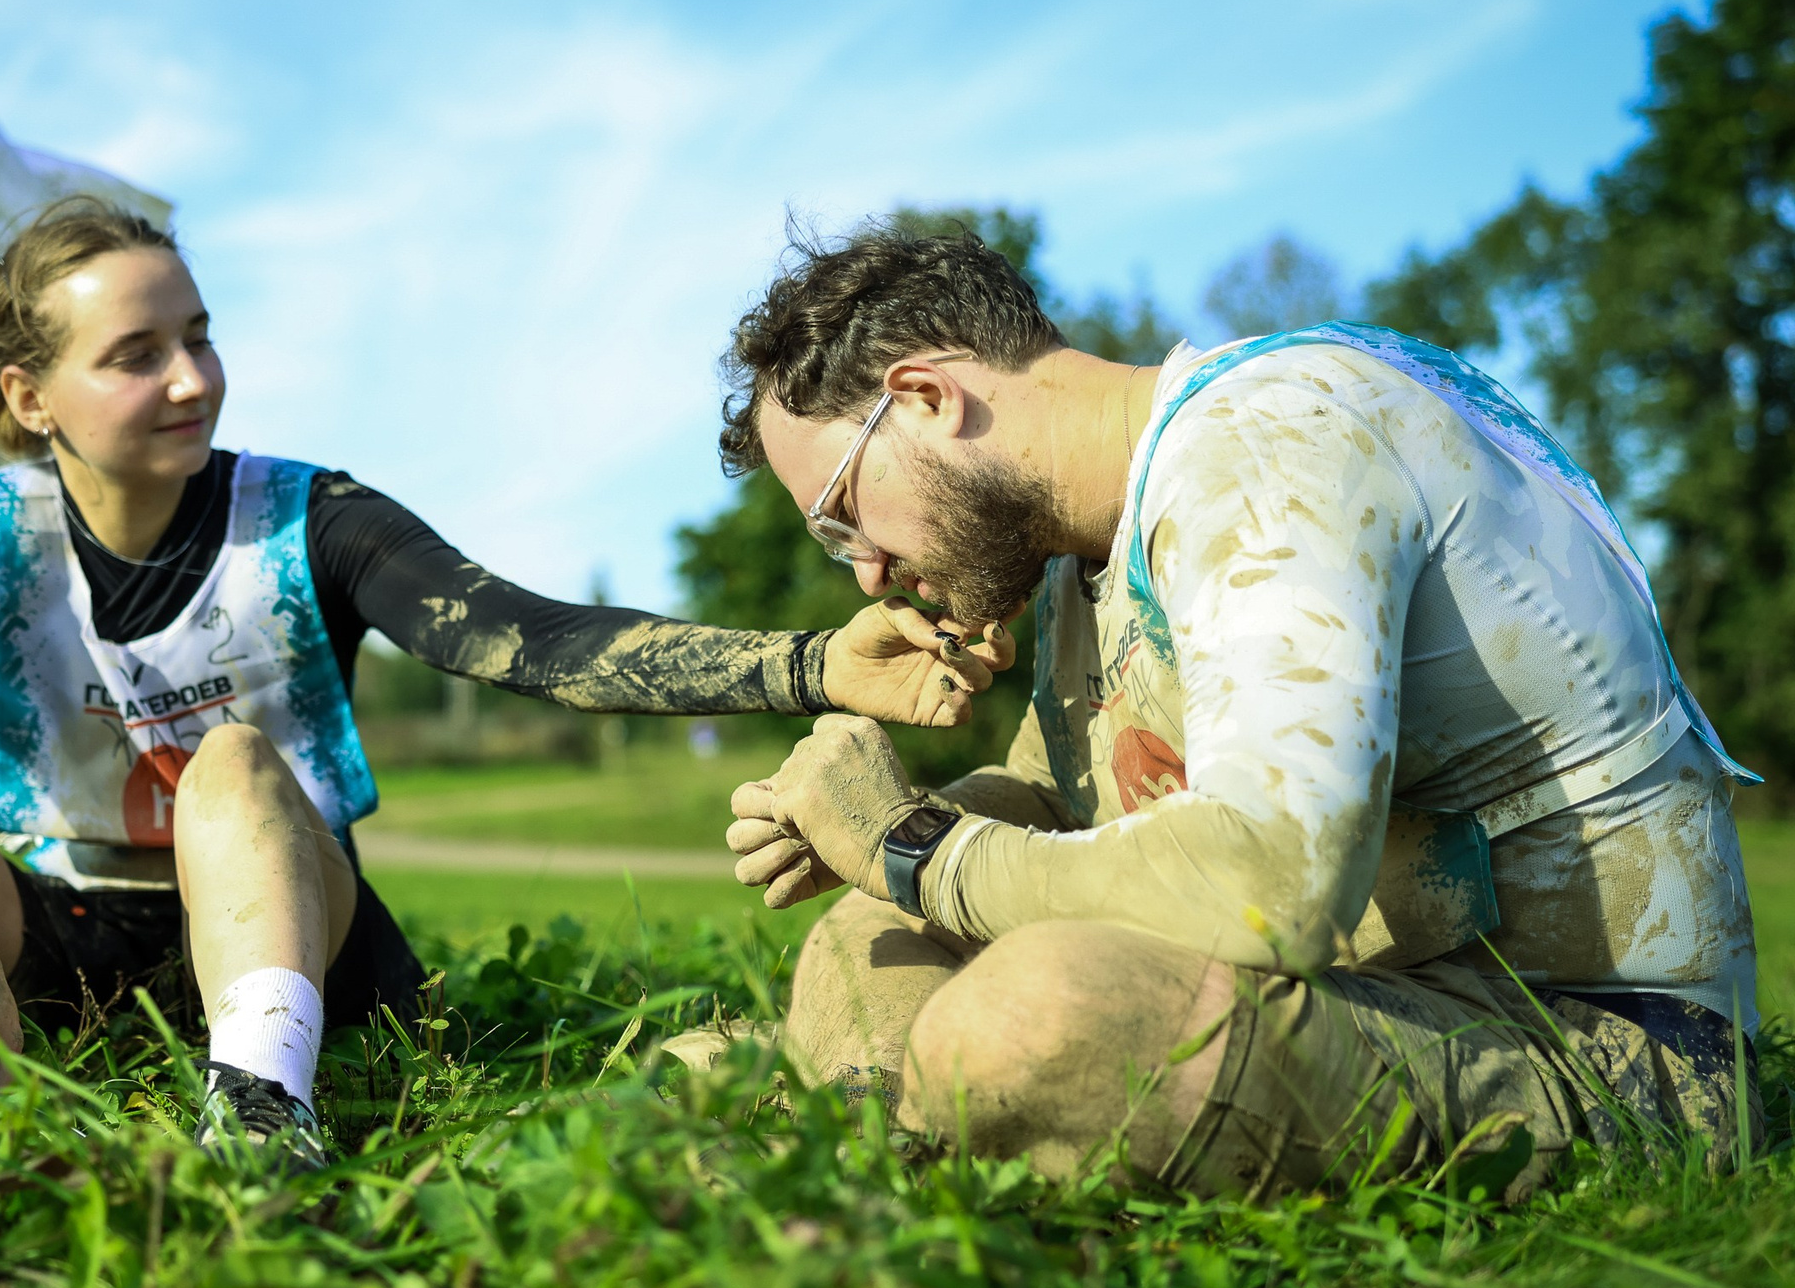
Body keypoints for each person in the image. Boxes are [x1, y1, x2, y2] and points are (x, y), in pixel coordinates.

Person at [0, 198, 969, 1189]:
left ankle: (259, 1119)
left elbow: (522, 637)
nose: (190, 377)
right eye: (136, 354)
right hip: (51, 937)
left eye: (199, 335)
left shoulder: (311, 510)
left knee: (233, 759)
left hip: (284, 935)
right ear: (31, 399)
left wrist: (801, 661)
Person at [716, 221, 1761, 1202]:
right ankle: (880, 1148)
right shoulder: (1085, 552)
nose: (866, 574)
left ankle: (849, 1130)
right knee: (875, 932)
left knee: (1034, 1011)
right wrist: (870, 830)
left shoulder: (1261, 442)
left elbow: (1277, 877)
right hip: (1378, 1001)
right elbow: (1052, 797)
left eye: (841, 517)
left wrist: (912, 846)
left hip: (1603, 1048)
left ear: (927, 397)